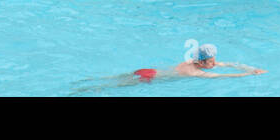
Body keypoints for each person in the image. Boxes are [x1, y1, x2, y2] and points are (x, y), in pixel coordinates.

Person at [83, 44, 264, 90]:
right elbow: (222, 76)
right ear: (201, 63)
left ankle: (87, 82)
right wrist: (250, 75)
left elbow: (225, 64)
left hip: (147, 70)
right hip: (148, 77)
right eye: (212, 62)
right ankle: (86, 87)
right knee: (108, 87)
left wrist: (245, 67)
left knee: (111, 79)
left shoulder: (191, 63)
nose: (215, 64)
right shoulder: (196, 73)